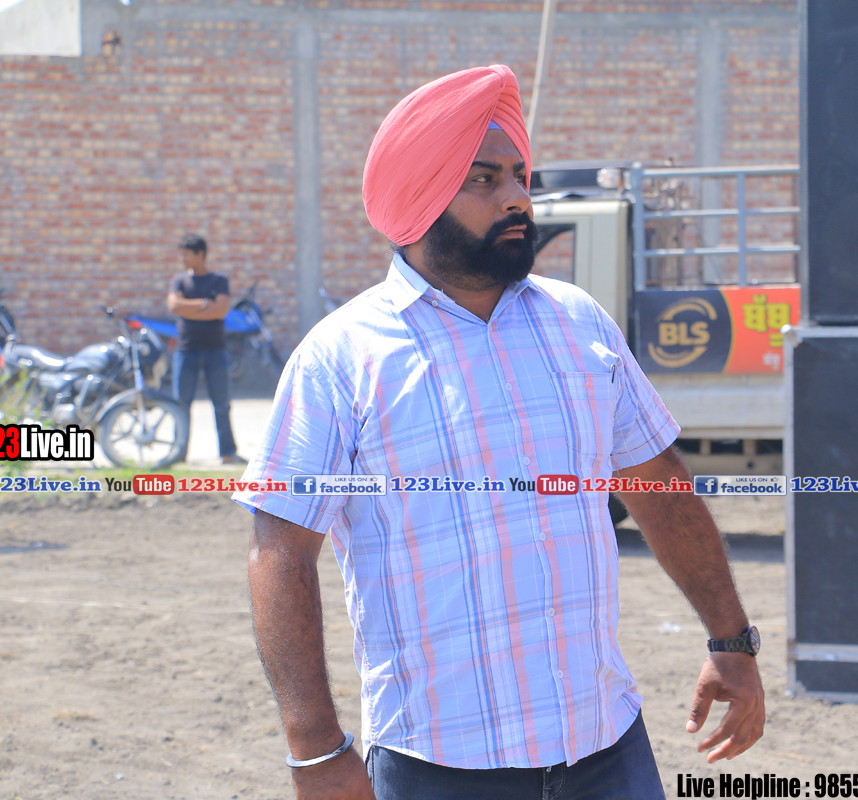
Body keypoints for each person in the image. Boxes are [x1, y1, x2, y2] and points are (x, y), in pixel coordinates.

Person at [235, 65, 764, 800]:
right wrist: (315, 749)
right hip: (437, 766)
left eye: (520, 175)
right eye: (483, 179)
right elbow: (281, 553)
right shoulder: (341, 359)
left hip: (606, 749)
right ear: (419, 198)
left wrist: (732, 640)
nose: (517, 196)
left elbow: (659, 486)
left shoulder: (578, 324)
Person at [167, 234, 244, 465]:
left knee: (222, 404)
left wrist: (190, 310)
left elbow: (220, 310)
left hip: (215, 351)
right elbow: (174, 306)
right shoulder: (180, 281)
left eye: (186, 254)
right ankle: (178, 454)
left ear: (200, 254)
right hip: (186, 350)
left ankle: (228, 453)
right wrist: (203, 304)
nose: (182, 258)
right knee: (181, 403)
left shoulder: (218, 281)